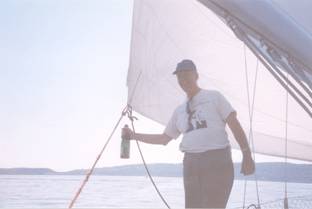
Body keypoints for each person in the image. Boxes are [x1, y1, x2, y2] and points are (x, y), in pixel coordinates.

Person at [122, 59, 255, 208]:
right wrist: (133, 136)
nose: (183, 80)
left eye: (186, 75)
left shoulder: (214, 97)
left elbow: (234, 123)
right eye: (179, 77)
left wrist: (246, 154)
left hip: (217, 161)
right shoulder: (179, 110)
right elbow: (164, 138)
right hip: (191, 164)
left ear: (196, 76)